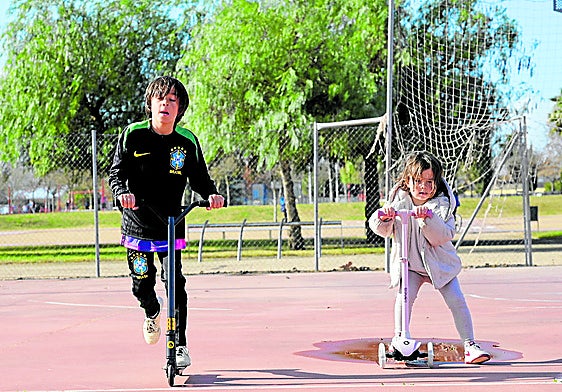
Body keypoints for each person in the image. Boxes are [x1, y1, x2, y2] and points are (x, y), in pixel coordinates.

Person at [109, 76, 224, 368]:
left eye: (172, 100)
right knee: (141, 282)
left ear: (180, 108)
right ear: (150, 103)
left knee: (176, 284)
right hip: (137, 224)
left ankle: (181, 345)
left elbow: (200, 179)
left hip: (172, 224)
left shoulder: (186, 142)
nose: (166, 103)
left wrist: (211, 195)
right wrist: (123, 193)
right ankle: (151, 311)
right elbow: (116, 174)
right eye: (161, 98)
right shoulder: (132, 135)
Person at [368, 151, 490, 364]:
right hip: (411, 265)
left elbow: (439, 237)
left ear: (436, 183)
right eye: (418, 181)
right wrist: (383, 216)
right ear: (408, 181)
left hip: (440, 265)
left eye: (429, 182)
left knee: (457, 301)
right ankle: (401, 338)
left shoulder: (442, 206)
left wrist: (428, 219)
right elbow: (382, 230)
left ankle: (470, 345)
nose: (423, 187)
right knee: (404, 298)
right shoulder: (399, 202)